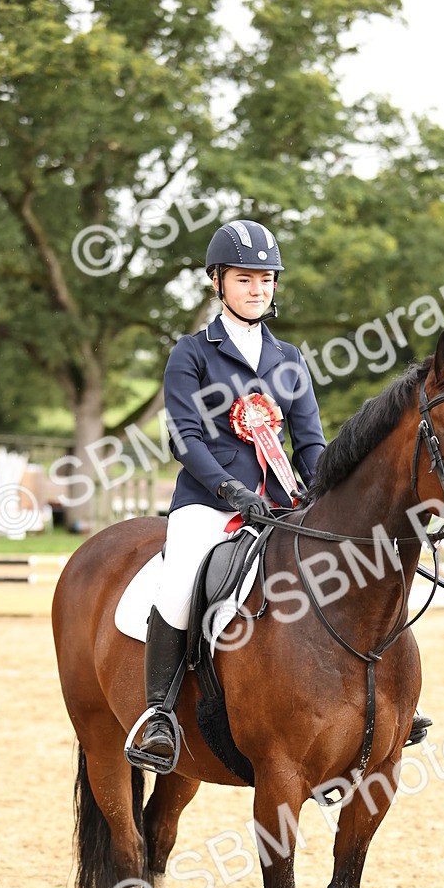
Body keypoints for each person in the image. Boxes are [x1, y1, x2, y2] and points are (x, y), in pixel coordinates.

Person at [131, 218, 327, 768]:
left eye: (267, 279)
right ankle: (159, 715)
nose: (258, 289)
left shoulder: (289, 359)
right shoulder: (192, 353)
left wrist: (325, 493)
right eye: (245, 279)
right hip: (207, 503)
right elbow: (184, 438)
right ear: (218, 281)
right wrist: (231, 489)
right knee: (179, 582)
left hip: (283, 506)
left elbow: (310, 443)